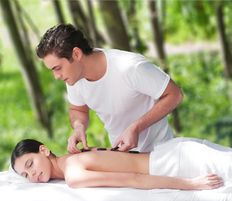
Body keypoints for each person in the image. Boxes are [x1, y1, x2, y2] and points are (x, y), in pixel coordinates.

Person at [36, 24, 183, 153]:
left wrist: (136, 127)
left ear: (76, 54)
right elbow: (78, 109)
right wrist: (79, 127)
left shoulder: (129, 67)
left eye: (57, 68)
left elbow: (175, 95)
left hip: (161, 152)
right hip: (123, 157)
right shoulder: (74, 78)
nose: (56, 76)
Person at [11, 138, 227, 191]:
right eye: (25, 175)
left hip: (174, 163)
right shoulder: (72, 158)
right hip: (173, 152)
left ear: (44, 150)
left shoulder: (73, 174)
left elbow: (132, 178)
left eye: (30, 164)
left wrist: (191, 184)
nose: (32, 175)